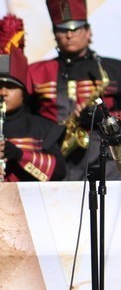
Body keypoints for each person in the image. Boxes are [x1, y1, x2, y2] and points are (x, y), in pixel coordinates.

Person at [29, 0, 121, 180]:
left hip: (103, 165)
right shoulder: (35, 73)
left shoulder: (114, 69)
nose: (69, 35)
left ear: (88, 31)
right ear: (54, 34)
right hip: (53, 165)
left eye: (76, 28)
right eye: (62, 30)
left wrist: (105, 119)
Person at [0, 14, 65, 182]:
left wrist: (20, 155)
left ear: (24, 91)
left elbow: (59, 172)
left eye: (11, 87)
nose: (3, 92)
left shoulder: (43, 128)